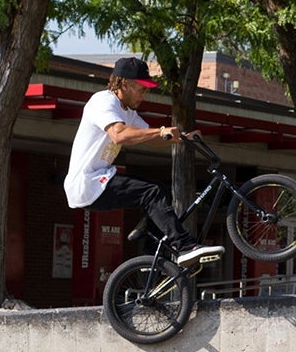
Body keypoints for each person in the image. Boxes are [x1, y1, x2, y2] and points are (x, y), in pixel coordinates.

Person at [62, 57, 224, 267]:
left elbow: (152, 138)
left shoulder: (128, 112)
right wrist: (161, 131)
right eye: (141, 88)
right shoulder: (103, 101)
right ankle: (185, 247)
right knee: (151, 193)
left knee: (159, 189)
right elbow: (119, 135)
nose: (144, 95)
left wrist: (185, 138)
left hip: (100, 180)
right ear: (124, 84)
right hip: (87, 184)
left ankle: (152, 255)